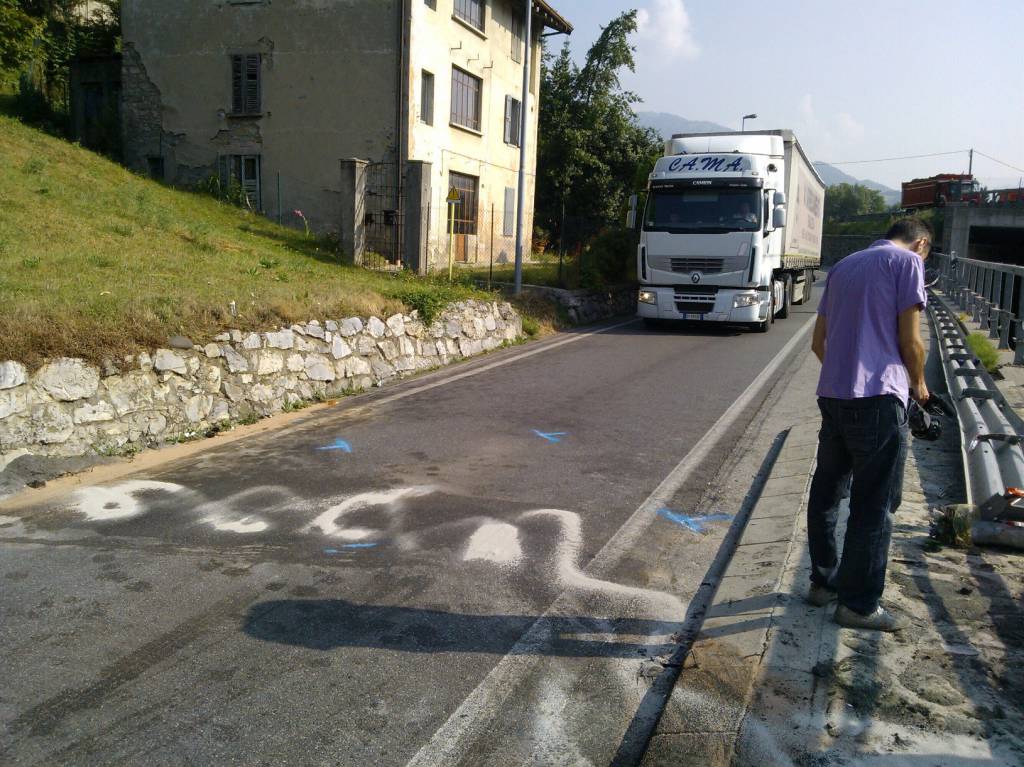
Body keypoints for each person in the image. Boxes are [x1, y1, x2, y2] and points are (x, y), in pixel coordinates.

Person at [806, 218, 932, 632]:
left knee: (828, 491)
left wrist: (847, 375)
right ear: (922, 244)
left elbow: (817, 342)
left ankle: (823, 584)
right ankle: (859, 606)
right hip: (878, 400)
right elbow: (910, 340)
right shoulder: (908, 262)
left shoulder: (844, 265)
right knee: (875, 505)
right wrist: (917, 385)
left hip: (833, 395)